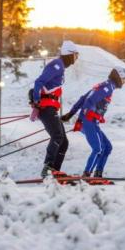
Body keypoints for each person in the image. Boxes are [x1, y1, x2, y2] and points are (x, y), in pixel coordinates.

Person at [62, 67, 125, 182]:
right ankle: (87, 175)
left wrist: (71, 114)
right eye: (123, 78)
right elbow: (89, 100)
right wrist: (83, 117)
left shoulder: (105, 85)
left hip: (91, 122)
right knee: (98, 148)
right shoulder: (107, 88)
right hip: (88, 121)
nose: (124, 81)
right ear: (118, 77)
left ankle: (98, 173)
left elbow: (83, 98)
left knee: (107, 147)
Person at [30, 41, 79, 178]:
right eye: (75, 55)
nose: (76, 58)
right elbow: (39, 82)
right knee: (57, 136)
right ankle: (48, 168)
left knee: (64, 142)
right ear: (69, 54)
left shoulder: (60, 66)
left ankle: (55, 170)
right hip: (46, 108)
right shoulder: (57, 65)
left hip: (51, 108)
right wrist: (36, 100)